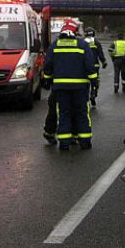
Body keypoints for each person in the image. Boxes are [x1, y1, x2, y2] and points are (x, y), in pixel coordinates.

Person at [42, 19, 97, 150]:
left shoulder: (55, 45)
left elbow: (48, 65)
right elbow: (90, 66)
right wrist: (94, 82)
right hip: (80, 88)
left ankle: (64, 143)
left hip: (60, 88)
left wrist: (47, 80)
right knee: (82, 113)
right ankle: (85, 141)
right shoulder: (82, 45)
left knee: (64, 113)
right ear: (75, 31)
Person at [84, 27, 107, 107]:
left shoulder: (82, 42)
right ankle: (93, 93)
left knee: (86, 82)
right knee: (95, 81)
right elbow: (100, 53)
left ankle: (86, 96)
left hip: (85, 66)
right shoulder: (96, 42)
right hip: (95, 66)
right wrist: (104, 62)